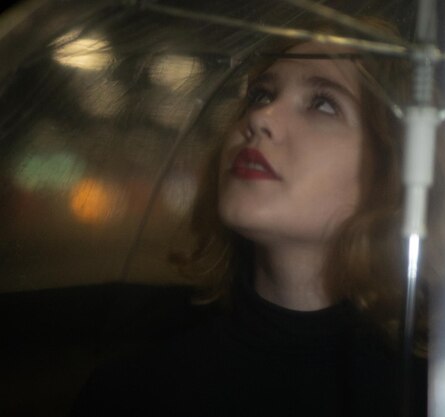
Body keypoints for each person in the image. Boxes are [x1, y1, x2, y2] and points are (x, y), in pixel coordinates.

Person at [71, 17, 427, 417]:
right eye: (261, 94)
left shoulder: (439, 395)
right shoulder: (132, 393)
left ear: (389, 171)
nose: (261, 118)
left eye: (323, 103)